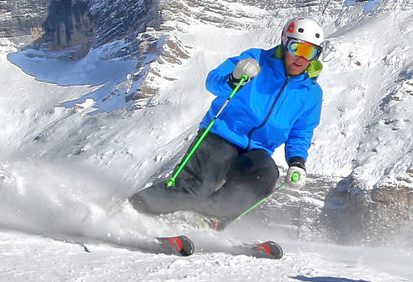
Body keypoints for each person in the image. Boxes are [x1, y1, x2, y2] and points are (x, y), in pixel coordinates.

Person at [130, 19, 325, 227]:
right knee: (194, 187)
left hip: (258, 150)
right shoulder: (256, 60)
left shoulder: (311, 93)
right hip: (223, 134)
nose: (301, 57)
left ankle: (206, 218)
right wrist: (235, 77)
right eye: (297, 48)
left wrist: (297, 162)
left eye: (310, 52)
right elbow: (213, 81)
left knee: (266, 173)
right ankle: (132, 209)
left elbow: (301, 131)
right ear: (285, 43)